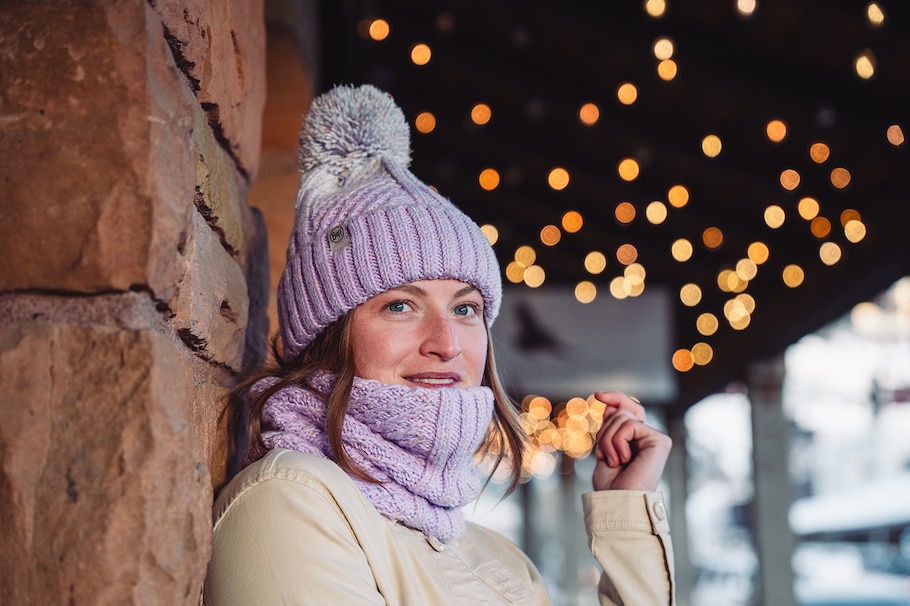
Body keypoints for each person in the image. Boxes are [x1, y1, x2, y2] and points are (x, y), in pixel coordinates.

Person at [203, 84, 675, 605]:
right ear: (327, 335)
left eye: (466, 309)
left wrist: (628, 512)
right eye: (400, 306)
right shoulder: (290, 503)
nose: (447, 343)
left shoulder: (496, 556)